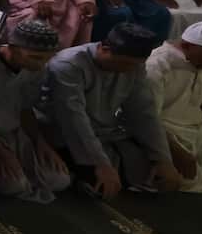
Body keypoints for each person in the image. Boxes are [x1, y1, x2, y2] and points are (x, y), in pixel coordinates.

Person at [37, 22, 177, 196]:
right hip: (64, 135)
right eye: (123, 63)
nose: (126, 70)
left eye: (133, 65)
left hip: (104, 135)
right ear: (104, 48)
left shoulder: (134, 67)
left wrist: (163, 159)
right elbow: (73, 120)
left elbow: (143, 112)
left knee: (160, 171)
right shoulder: (68, 65)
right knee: (97, 183)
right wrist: (100, 164)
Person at [0, 19, 70, 203]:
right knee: (13, 185)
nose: (41, 64)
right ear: (13, 47)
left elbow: (25, 108)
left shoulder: (36, 68)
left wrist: (40, 143)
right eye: (35, 57)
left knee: (59, 180)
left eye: (46, 58)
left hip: (13, 132)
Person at [145, 21, 202, 193]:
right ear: (186, 46)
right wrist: (176, 153)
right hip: (161, 135)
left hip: (196, 132)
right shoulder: (156, 65)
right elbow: (146, 119)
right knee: (172, 178)